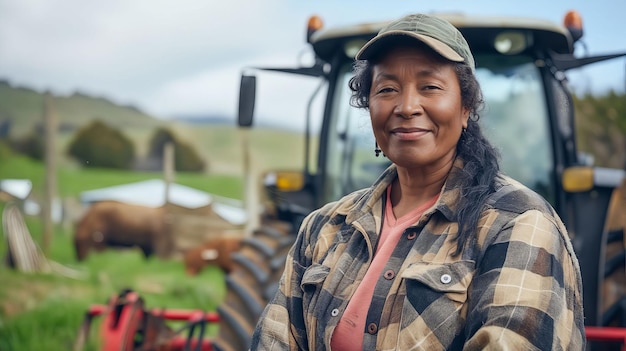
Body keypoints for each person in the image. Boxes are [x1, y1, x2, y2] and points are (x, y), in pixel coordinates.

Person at [250, 13, 585, 350]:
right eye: (387, 89)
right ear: (369, 108)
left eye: (429, 87)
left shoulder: (517, 224)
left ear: (465, 107)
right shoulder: (323, 229)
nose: (407, 106)